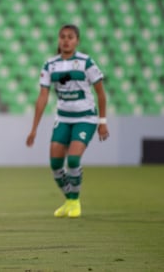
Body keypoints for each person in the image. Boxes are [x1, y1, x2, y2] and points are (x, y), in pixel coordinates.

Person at [25, 24, 109, 218]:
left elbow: (101, 94)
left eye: (70, 37)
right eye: (62, 36)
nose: (66, 40)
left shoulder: (86, 62)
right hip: (62, 118)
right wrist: (34, 129)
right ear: (58, 40)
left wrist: (102, 121)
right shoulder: (50, 65)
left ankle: (74, 201)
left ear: (77, 41)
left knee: (72, 159)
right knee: (55, 164)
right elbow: (43, 97)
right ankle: (69, 199)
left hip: (85, 118)